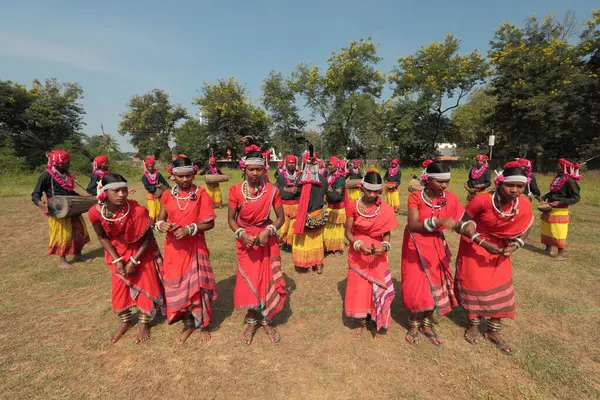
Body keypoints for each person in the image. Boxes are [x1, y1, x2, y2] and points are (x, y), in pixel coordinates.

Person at [454, 163, 534, 355]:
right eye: (510, 185)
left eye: (520, 186)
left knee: (500, 286)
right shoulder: (482, 200)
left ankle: (492, 330)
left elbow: (527, 226)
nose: (515, 190)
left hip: (501, 250)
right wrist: (483, 243)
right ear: (499, 183)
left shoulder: (523, 204)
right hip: (475, 246)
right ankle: (473, 324)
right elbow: (461, 225)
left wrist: (514, 246)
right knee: (474, 285)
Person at [88, 173, 165, 344]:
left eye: (124, 190)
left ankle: (144, 324)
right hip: (116, 254)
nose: (122, 194)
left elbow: (148, 239)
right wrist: (117, 260)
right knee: (119, 288)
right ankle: (126, 321)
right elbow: (103, 238)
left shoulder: (138, 211)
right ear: (105, 192)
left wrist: (134, 261)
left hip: (140, 252)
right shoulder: (95, 212)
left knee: (147, 284)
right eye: (116, 191)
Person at [401, 160, 464, 346]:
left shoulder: (450, 198)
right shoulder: (416, 197)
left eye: (447, 182)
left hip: (436, 244)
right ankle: (413, 323)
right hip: (415, 244)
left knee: (435, 282)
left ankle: (427, 323)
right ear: (428, 179)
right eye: (440, 181)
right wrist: (439, 222)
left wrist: (473, 232)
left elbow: (461, 221)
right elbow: (413, 225)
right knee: (416, 284)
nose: (444, 185)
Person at [228, 146, 287, 345]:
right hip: (245, 241)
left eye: (258, 170)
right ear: (244, 169)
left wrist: (268, 232)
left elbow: (280, 218)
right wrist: (241, 233)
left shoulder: (272, 191)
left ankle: (266, 319)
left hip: (265, 239)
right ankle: (252, 320)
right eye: (251, 169)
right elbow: (231, 219)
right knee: (249, 281)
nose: (254, 173)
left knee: (266, 280)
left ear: (264, 170)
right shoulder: (235, 190)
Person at [156, 156, 217, 344]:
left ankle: (204, 324)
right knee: (178, 285)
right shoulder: (167, 195)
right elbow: (159, 218)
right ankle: (188, 322)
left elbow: (210, 223)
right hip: (173, 249)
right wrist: (161, 225)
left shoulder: (201, 194)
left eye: (188, 176)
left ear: (193, 174)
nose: (184, 180)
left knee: (198, 286)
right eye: (180, 176)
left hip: (195, 247)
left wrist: (190, 229)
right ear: (173, 176)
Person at [344, 171, 398, 338]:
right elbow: (347, 231)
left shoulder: (385, 209)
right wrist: (358, 244)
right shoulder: (353, 205)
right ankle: (360, 320)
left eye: (376, 191)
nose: (372, 195)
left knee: (378, 285)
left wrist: (385, 245)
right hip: (358, 250)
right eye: (369, 191)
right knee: (359, 286)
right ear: (362, 188)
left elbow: (387, 235)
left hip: (377, 252)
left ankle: (375, 318)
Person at [32, 149, 91, 269]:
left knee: (78, 230)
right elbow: (35, 193)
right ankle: (62, 260)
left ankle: (78, 255)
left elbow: (69, 191)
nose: (69, 164)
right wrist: (40, 203)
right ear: (59, 163)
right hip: (58, 210)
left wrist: (81, 198)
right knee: (63, 234)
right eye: (67, 162)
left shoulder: (66, 175)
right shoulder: (46, 175)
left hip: (72, 208)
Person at [292, 152, 328, 273]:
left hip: (305, 214)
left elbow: (295, 193)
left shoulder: (301, 180)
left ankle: (304, 264)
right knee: (317, 240)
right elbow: (329, 195)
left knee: (305, 240)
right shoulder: (322, 179)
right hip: (318, 214)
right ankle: (318, 265)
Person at [540, 159, 581, 261]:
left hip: (560, 211)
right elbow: (555, 192)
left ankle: (561, 253)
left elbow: (576, 197)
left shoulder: (570, 181)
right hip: (550, 208)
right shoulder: (558, 178)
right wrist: (546, 196)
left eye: (558, 165)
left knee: (558, 231)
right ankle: (547, 248)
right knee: (547, 229)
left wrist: (560, 202)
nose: (556, 167)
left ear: (564, 168)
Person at [276, 155, 300, 250]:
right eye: (289, 162)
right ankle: (283, 242)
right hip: (285, 205)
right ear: (286, 163)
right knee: (284, 224)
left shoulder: (299, 175)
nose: (291, 164)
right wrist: (287, 189)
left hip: (296, 204)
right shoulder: (281, 176)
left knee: (293, 225)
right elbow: (278, 187)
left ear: (295, 164)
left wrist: (297, 190)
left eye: (293, 163)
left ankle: (291, 243)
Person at [324, 156, 347, 254]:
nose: (329, 166)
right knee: (329, 227)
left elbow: (336, 195)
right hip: (330, 206)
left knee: (337, 229)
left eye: (331, 165)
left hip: (338, 208)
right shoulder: (328, 176)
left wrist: (329, 190)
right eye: (328, 164)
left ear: (336, 166)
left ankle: (337, 247)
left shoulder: (340, 178)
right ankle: (329, 246)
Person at [142, 156, 170, 225]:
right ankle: (151, 225)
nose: (150, 168)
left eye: (152, 166)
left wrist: (170, 189)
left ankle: (158, 223)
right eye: (149, 167)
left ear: (154, 166)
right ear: (146, 167)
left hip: (159, 195)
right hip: (151, 196)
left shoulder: (158, 174)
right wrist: (156, 186)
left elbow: (164, 182)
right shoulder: (144, 177)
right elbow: (147, 186)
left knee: (159, 209)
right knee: (152, 210)